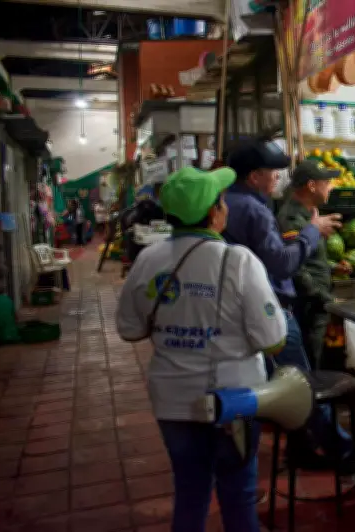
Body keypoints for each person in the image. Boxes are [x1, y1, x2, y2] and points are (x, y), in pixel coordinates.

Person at [116, 166, 285, 532]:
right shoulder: (238, 260)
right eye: (221, 201)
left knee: (190, 492)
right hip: (234, 402)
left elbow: (129, 330)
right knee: (238, 495)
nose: (225, 206)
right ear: (213, 213)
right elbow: (274, 340)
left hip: (173, 400)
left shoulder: (148, 259)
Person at [224, 137, 355, 475]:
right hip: (272, 309)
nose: (278, 178)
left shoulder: (229, 202)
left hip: (245, 310)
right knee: (302, 385)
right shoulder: (255, 208)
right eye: (273, 172)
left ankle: (303, 449)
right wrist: (312, 232)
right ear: (254, 176)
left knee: (286, 384)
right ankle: (346, 455)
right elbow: (281, 263)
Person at [277, 160, 350, 370]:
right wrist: (327, 299)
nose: (331, 186)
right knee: (311, 364)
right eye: (326, 182)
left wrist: (332, 267)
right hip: (307, 306)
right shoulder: (292, 218)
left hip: (316, 303)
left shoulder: (309, 215)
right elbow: (296, 269)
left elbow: (307, 257)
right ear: (311, 186)